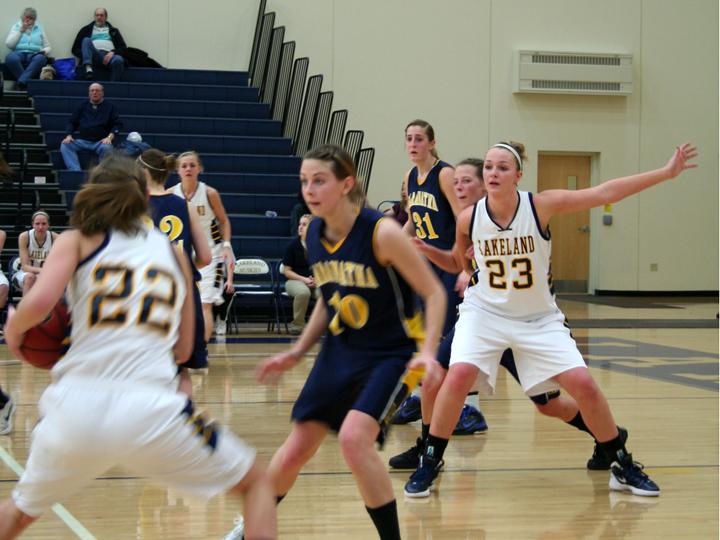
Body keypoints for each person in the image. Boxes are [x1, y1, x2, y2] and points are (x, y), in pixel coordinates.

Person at [0, 155, 276, 539]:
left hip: (75, 409)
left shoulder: (76, 240)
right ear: (141, 196)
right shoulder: (173, 254)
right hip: (151, 411)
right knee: (258, 486)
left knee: (16, 514)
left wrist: (15, 333)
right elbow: (182, 352)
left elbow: (41, 302)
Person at [402, 141, 698, 499]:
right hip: (486, 314)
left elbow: (604, 191)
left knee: (583, 385)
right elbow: (458, 263)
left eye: (502, 168)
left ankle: (621, 461)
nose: (493, 173)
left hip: (537, 318)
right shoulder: (469, 218)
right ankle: (431, 460)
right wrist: (444, 258)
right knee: (458, 374)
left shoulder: (539, 205)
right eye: (490, 168)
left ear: (518, 175)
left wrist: (666, 173)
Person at [224, 144, 446, 540]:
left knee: (353, 439)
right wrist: (297, 350)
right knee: (296, 447)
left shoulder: (382, 232)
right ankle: (251, 528)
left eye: (319, 180)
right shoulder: (313, 235)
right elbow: (328, 302)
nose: (309, 189)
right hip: (340, 351)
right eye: (304, 181)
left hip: (392, 354)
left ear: (346, 184)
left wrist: (428, 352)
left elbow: (434, 293)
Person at [390, 158, 626, 474]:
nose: (457, 186)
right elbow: (458, 262)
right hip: (484, 321)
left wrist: (466, 270)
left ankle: (607, 436)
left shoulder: (520, 211)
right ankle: (427, 449)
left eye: (465, 181)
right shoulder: (466, 221)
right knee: (438, 377)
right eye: (455, 181)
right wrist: (456, 264)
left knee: (549, 405)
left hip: (526, 321)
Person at [393, 120, 487, 436]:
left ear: (432, 143)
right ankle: (424, 399)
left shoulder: (444, 175)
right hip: (426, 265)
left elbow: (464, 216)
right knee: (428, 335)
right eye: (408, 138)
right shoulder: (410, 177)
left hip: (450, 262)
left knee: (453, 338)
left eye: (419, 138)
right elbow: (413, 222)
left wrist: (466, 262)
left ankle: (470, 410)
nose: (413, 143)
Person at [138, 148, 212, 396]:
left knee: (140, 370)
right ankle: (184, 425)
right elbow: (205, 257)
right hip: (183, 294)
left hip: (146, 293)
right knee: (181, 371)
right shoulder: (184, 205)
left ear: (142, 172)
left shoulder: (133, 207)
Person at [171, 151, 234, 343]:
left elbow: (224, 221)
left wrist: (226, 245)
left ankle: (202, 350)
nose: (188, 169)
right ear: (178, 171)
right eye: (184, 166)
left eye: (192, 165)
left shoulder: (209, 193)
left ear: (200, 169)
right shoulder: (170, 194)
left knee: (205, 305)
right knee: (179, 304)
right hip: (181, 254)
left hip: (210, 254)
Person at [60, 83, 122, 171]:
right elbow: (72, 122)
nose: (94, 93)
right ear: (89, 93)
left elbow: (118, 124)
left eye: (97, 90)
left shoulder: (110, 106)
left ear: (102, 93)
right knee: (65, 144)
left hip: (101, 142)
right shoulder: (82, 106)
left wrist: (109, 137)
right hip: (83, 141)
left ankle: (101, 173)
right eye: (92, 91)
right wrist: (69, 135)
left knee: (107, 148)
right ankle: (75, 171)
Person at [281, 213, 315, 335]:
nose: (300, 227)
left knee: (326, 292)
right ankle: (297, 326)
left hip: (314, 282)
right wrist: (304, 280)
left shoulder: (319, 245)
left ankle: (324, 326)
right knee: (303, 293)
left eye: (304, 225)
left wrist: (317, 280)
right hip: (294, 281)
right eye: (300, 224)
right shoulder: (292, 246)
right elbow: (287, 271)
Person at [71, 7, 127, 81]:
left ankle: (114, 86)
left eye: (101, 15)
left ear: (106, 17)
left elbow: (123, 48)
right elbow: (75, 49)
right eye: (97, 15)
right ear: (94, 17)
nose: (99, 17)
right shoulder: (86, 29)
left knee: (119, 60)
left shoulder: (114, 31)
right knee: (86, 40)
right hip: (94, 56)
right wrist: (87, 54)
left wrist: (113, 52)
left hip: (109, 56)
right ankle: (88, 68)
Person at [4, 8, 51, 90]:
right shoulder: (16, 26)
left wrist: (44, 51)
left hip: (34, 54)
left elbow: (48, 46)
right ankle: (25, 82)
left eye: (31, 18)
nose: (28, 20)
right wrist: (20, 31)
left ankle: (22, 82)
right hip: (18, 53)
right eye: (27, 17)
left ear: (34, 20)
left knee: (41, 58)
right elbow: (9, 45)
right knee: (10, 58)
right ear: (22, 17)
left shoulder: (39, 28)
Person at [14, 211, 58, 296]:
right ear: (32, 224)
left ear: (48, 224)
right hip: (25, 274)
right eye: (37, 224)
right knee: (30, 277)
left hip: (47, 274)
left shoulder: (56, 238)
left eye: (44, 224)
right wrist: (43, 271)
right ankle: (26, 308)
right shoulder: (24, 237)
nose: (40, 227)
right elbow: (25, 267)